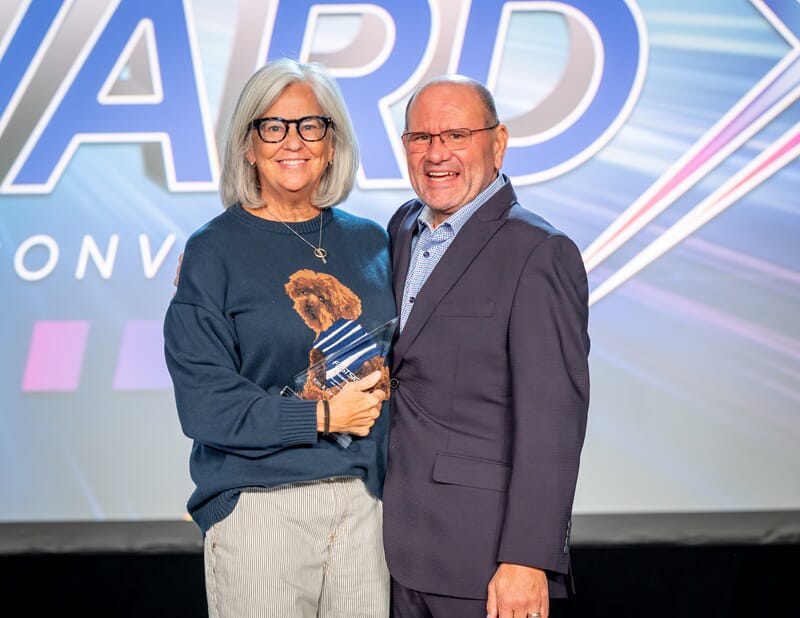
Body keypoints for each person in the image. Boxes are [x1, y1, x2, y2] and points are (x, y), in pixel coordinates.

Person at [163, 58, 395, 617]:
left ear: (332, 142)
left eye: (310, 125)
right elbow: (205, 405)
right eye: (273, 126)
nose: (293, 141)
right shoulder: (213, 251)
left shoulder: (375, 243)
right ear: (248, 145)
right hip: (260, 508)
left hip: (365, 511)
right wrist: (320, 418)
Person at [382, 75, 590, 618]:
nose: (436, 154)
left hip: (486, 563)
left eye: (455, 134)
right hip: (395, 551)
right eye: (420, 138)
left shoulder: (540, 251)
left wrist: (527, 559)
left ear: (497, 143)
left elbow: (553, 422)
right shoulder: (403, 228)